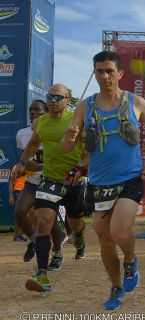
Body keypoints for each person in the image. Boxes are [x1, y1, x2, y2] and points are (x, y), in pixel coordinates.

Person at [62, 50, 145, 310]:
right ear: (94, 73)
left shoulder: (135, 102)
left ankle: (130, 260)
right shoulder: (86, 105)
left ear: (120, 74)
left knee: (118, 231)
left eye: (109, 71)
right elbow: (67, 145)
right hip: (99, 182)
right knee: (104, 238)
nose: (104, 76)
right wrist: (70, 137)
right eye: (99, 71)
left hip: (129, 178)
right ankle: (116, 287)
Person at [13, 84, 87, 293]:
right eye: (50, 97)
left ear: (67, 100)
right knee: (43, 221)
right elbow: (33, 144)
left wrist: (81, 168)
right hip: (50, 179)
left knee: (76, 223)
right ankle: (42, 276)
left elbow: (90, 150)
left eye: (58, 97)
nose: (53, 101)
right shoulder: (40, 123)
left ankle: (79, 240)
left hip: (74, 181)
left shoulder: (77, 121)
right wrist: (22, 161)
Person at [13, 100, 47, 260]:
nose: (32, 112)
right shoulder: (22, 134)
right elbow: (24, 159)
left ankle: (59, 249)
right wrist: (23, 166)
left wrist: (40, 167)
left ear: (45, 113)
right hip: (32, 181)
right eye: (31, 110)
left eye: (37, 110)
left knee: (49, 219)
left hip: (51, 180)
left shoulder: (54, 131)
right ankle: (33, 241)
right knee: (20, 212)